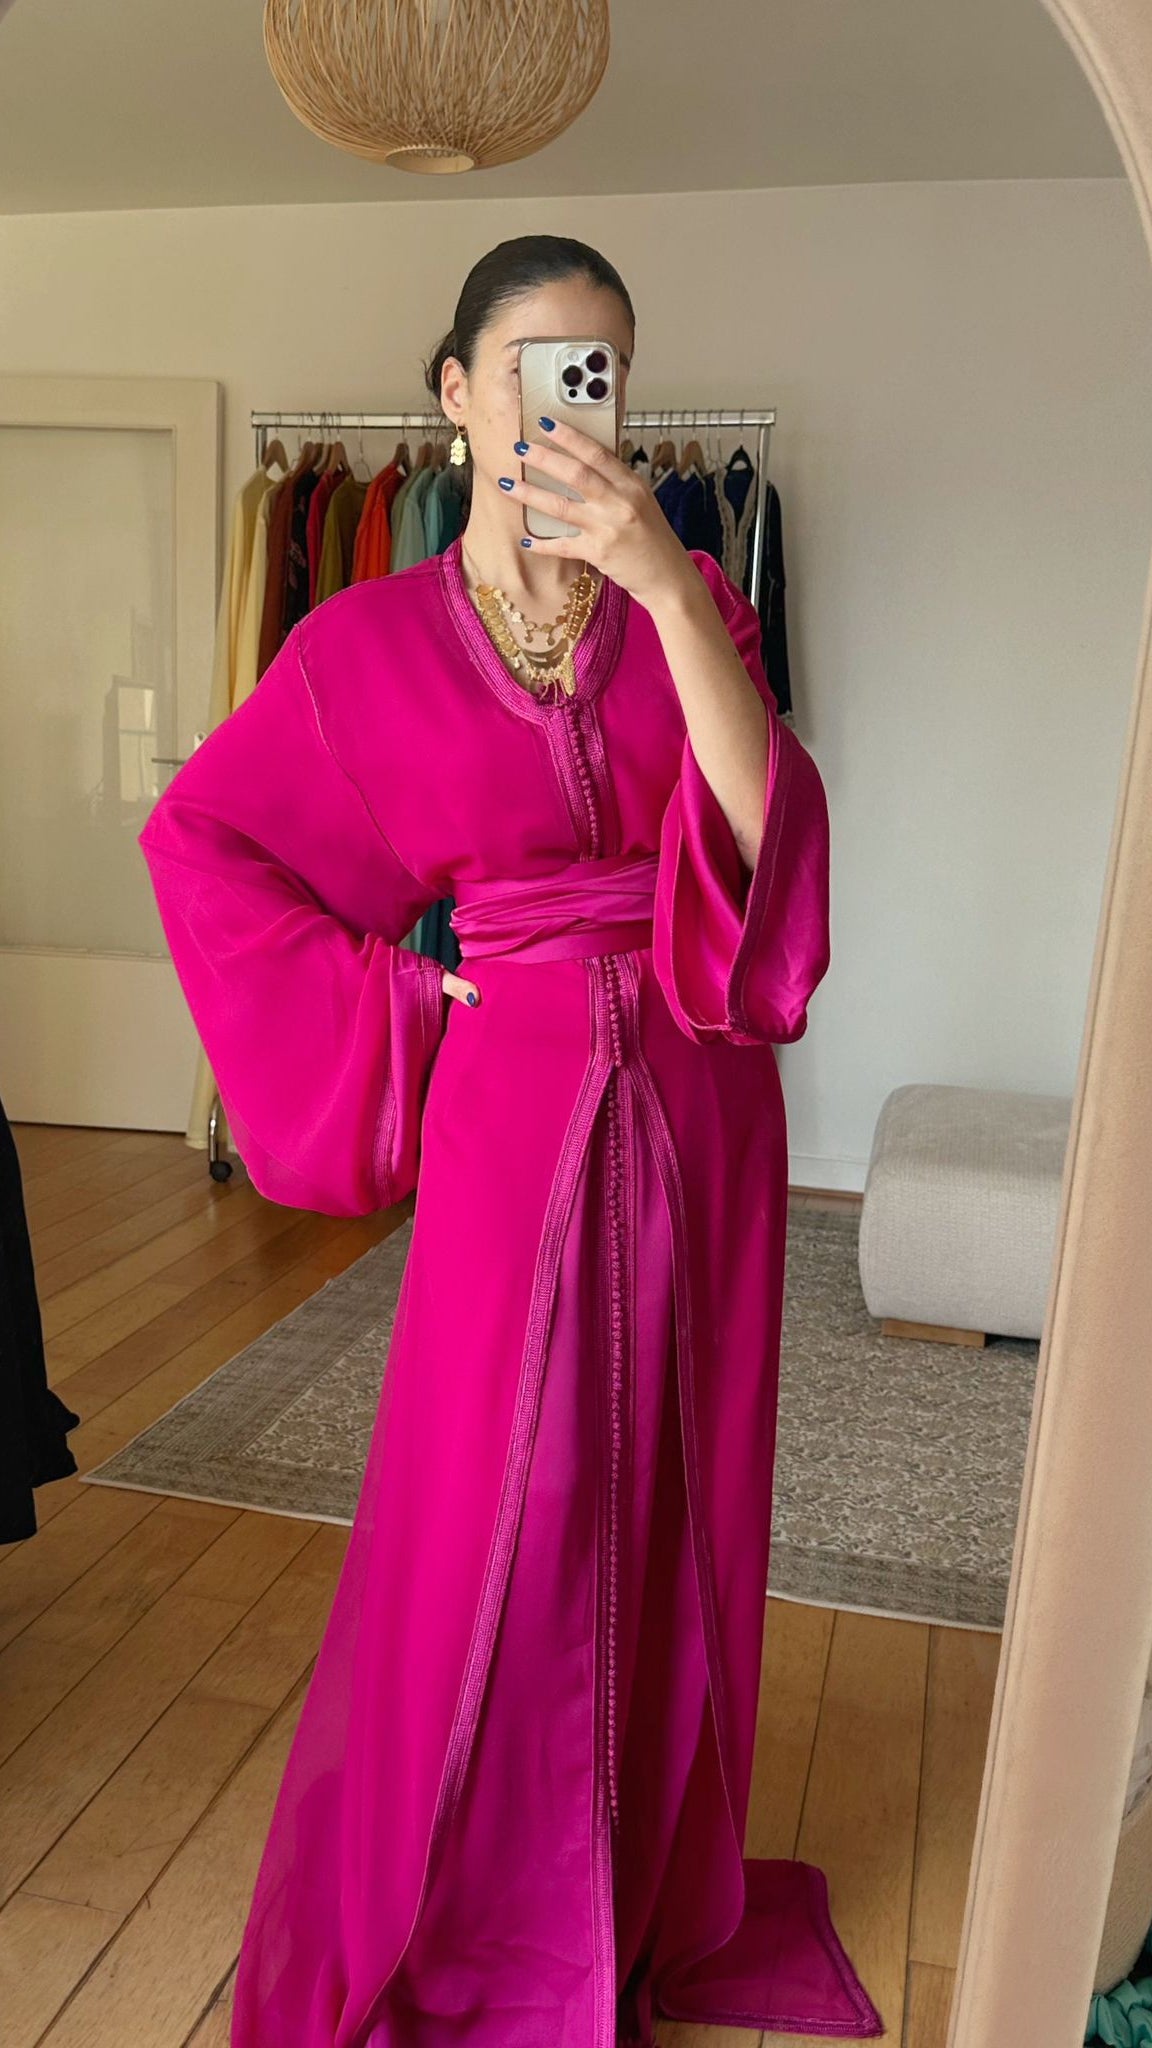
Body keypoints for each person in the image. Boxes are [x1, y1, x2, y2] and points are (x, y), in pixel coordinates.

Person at [138, 235, 880, 2048]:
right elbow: (208, 842)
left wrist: (672, 589)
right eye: (539, 365)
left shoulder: (685, 601)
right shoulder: (360, 647)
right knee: (501, 1495)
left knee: (676, 1483)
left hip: (702, 1095)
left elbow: (765, 824)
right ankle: (476, 1898)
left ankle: (630, 1889)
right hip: (513, 1100)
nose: (569, 403)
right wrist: (402, 1002)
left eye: (601, 371)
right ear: (459, 392)